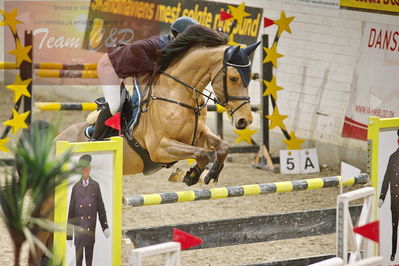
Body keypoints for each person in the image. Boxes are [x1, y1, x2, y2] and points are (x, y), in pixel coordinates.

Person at [92, 16, 198, 140]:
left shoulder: (178, 49)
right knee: (115, 105)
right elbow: (136, 48)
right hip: (110, 64)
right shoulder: (161, 42)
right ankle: (94, 136)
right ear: (176, 34)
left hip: (130, 70)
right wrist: (152, 67)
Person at [67, 154, 109, 266]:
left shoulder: (95, 186)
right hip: (79, 231)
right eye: (83, 170)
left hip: (90, 230)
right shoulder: (76, 187)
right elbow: (71, 212)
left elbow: (101, 207)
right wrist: (69, 235)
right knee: (79, 262)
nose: (85, 172)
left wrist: (105, 226)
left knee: (89, 261)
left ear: (89, 170)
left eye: (87, 169)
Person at [378, 129, 399, 261]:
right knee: (394, 227)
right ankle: (393, 253)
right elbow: (386, 178)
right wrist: (382, 196)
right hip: (395, 199)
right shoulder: (393, 158)